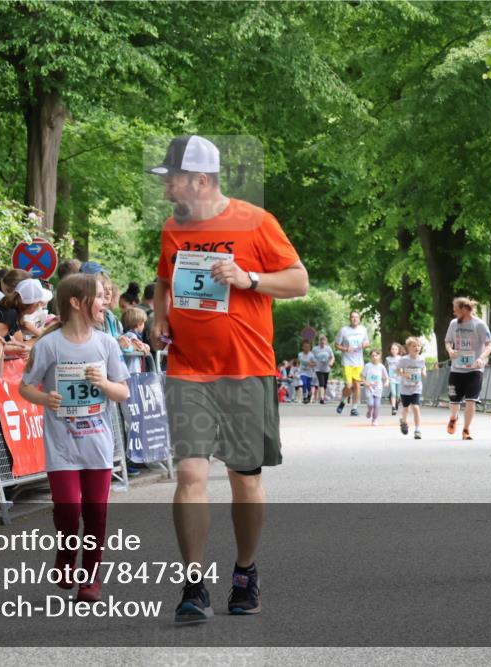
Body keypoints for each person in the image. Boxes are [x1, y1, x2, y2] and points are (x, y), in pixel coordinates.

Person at [148, 134, 308, 622]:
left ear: (200, 179)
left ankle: (244, 571)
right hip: (188, 369)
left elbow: (299, 281)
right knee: (191, 473)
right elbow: (163, 279)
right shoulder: (173, 229)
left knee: (245, 481)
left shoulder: (256, 222)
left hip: (245, 368)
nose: (167, 187)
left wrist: (250, 279)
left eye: (173, 178)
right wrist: (160, 317)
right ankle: (194, 585)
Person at [19, 273, 130, 603]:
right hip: (62, 444)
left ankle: (91, 578)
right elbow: (25, 386)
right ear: (77, 303)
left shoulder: (107, 343)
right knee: (68, 509)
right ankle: (66, 556)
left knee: (96, 513)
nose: (106, 302)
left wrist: (104, 384)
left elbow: (122, 391)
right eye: (99, 297)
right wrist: (45, 399)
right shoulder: (49, 345)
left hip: (97, 443)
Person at [444, 297, 491, 440]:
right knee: (454, 400)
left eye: (455, 309)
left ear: (464, 309)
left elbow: (489, 345)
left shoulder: (479, 325)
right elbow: (447, 341)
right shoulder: (453, 324)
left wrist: (481, 358)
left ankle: (466, 430)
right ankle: (453, 418)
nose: (453, 312)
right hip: (457, 369)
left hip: (474, 369)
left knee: (471, 399)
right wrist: (450, 350)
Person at [335, 311, 370, 416]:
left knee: (357, 385)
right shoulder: (344, 330)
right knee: (349, 386)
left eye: (357, 317)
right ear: (350, 319)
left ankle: (354, 408)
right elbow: (336, 345)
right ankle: (343, 401)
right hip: (347, 362)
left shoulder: (363, 329)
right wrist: (345, 349)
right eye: (353, 317)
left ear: (359, 319)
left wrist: (364, 345)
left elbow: (367, 342)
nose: (355, 319)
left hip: (359, 362)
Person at [397, 337, 427, 439]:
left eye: (418, 346)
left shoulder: (422, 359)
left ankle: (417, 430)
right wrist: (404, 374)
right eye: (414, 346)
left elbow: (423, 367)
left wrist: (423, 372)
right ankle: (403, 422)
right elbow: (397, 370)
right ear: (409, 348)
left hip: (416, 387)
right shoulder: (404, 359)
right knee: (406, 408)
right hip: (405, 388)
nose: (417, 347)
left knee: (415, 407)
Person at [362, 349, 389, 426]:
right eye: (372, 356)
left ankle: (374, 419)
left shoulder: (381, 367)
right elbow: (362, 376)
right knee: (371, 404)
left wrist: (386, 382)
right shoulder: (367, 366)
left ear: (379, 356)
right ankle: (369, 411)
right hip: (369, 388)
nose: (374, 357)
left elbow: (386, 377)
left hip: (378, 388)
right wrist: (365, 382)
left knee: (377, 405)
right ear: (371, 357)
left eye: (376, 355)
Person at [120, 306, 150, 374]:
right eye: (143, 323)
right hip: (132, 371)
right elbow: (138, 345)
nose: (144, 326)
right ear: (138, 324)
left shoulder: (128, 335)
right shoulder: (131, 335)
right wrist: (146, 347)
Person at [311, 334, 335, 404]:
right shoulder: (315, 349)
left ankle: (322, 398)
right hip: (318, 369)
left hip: (326, 369)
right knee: (321, 383)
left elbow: (332, 357)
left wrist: (331, 362)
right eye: (321, 342)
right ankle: (321, 398)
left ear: (326, 342)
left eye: (324, 342)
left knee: (324, 385)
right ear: (319, 342)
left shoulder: (328, 348)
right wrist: (313, 363)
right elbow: (311, 357)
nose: (322, 344)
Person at [385, 342, 404, 414]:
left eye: (396, 349)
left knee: (398, 395)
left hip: (399, 378)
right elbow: (385, 368)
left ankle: (396, 404)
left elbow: (403, 368)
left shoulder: (401, 358)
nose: (394, 350)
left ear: (398, 350)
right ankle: (393, 408)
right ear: (390, 350)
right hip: (391, 378)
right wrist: (386, 378)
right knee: (393, 393)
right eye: (392, 349)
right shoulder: (387, 359)